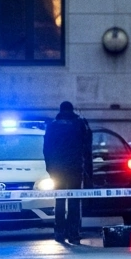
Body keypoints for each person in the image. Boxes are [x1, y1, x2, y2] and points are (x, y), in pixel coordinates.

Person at [44, 101, 92, 243]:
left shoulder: (52, 125)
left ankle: (59, 233)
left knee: (59, 200)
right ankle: (73, 234)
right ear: (72, 110)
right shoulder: (80, 124)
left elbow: (46, 149)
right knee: (74, 201)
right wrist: (88, 170)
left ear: (60, 110)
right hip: (75, 169)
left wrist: (50, 168)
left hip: (57, 170)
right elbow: (87, 147)